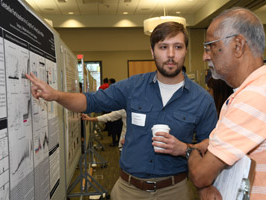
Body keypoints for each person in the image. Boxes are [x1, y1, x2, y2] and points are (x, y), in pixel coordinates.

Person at [25, 21, 218, 200]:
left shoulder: (202, 100)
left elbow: (210, 149)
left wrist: (185, 150)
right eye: (163, 47)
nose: (170, 55)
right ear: (152, 51)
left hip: (175, 191)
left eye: (177, 47)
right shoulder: (133, 87)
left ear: (185, 51)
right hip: (128, 190)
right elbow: (90, 101)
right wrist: (56, 95)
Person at [186, 7, 266, 200]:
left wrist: (190, 152)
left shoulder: (256, 97)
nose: (205, 56)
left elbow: (200, 175)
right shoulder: (262, 88)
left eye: (209, 46)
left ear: (238, 45)